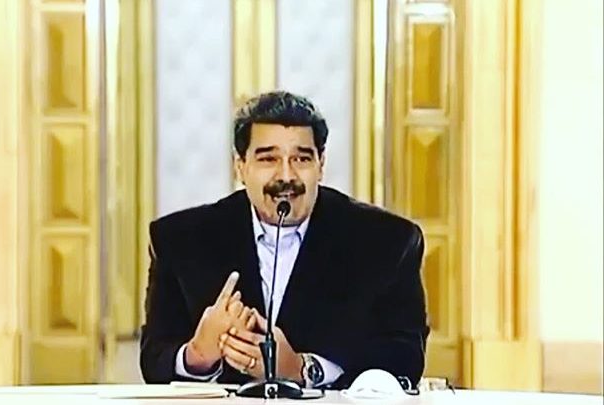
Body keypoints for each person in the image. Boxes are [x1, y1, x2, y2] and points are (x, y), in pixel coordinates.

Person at [140, 91, 429, 389]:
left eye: (301, 159)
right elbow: (154, 358)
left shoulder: (386, 242)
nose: (286, 176)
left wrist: (303, 369)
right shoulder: (180, 240)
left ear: (320, 165)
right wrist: (197, 355)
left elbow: (404, 358)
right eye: (268, 159)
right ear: (240, 166)